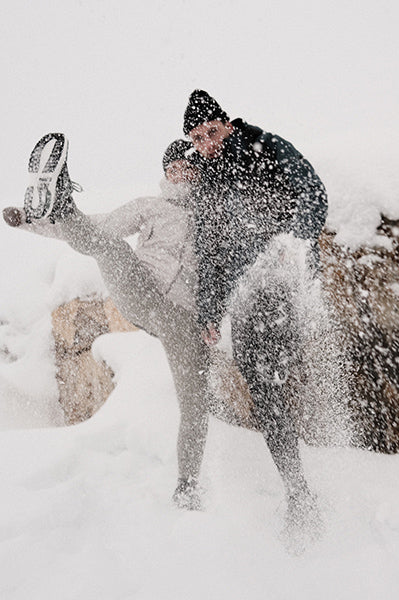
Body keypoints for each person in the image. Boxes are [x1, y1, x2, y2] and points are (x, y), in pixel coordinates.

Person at [3, 133, 208, 510]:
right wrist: (30, 222)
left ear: (198, 172)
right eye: (173, 167)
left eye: (187, 166)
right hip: (141, 289)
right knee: (110, 245)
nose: (179, 173)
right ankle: (61, 204)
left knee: (194, 404)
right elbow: (101, 227)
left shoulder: (214, 214)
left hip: (182, 319)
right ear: (165, 173)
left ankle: (187, 485)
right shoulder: (151, 206)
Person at [183, 90, 328, 533]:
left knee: (277, 375)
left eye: (211, 131)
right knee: (261, 386)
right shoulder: (206, 182)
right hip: (246, 292)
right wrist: (210, 310)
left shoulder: (266, 146)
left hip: (285, 278)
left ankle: (301, 487)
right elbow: (209, 254)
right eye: (197, 138)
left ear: (227, 124)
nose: (206, 142)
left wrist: (291, 240)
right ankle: (297, 488)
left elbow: (313, 193)